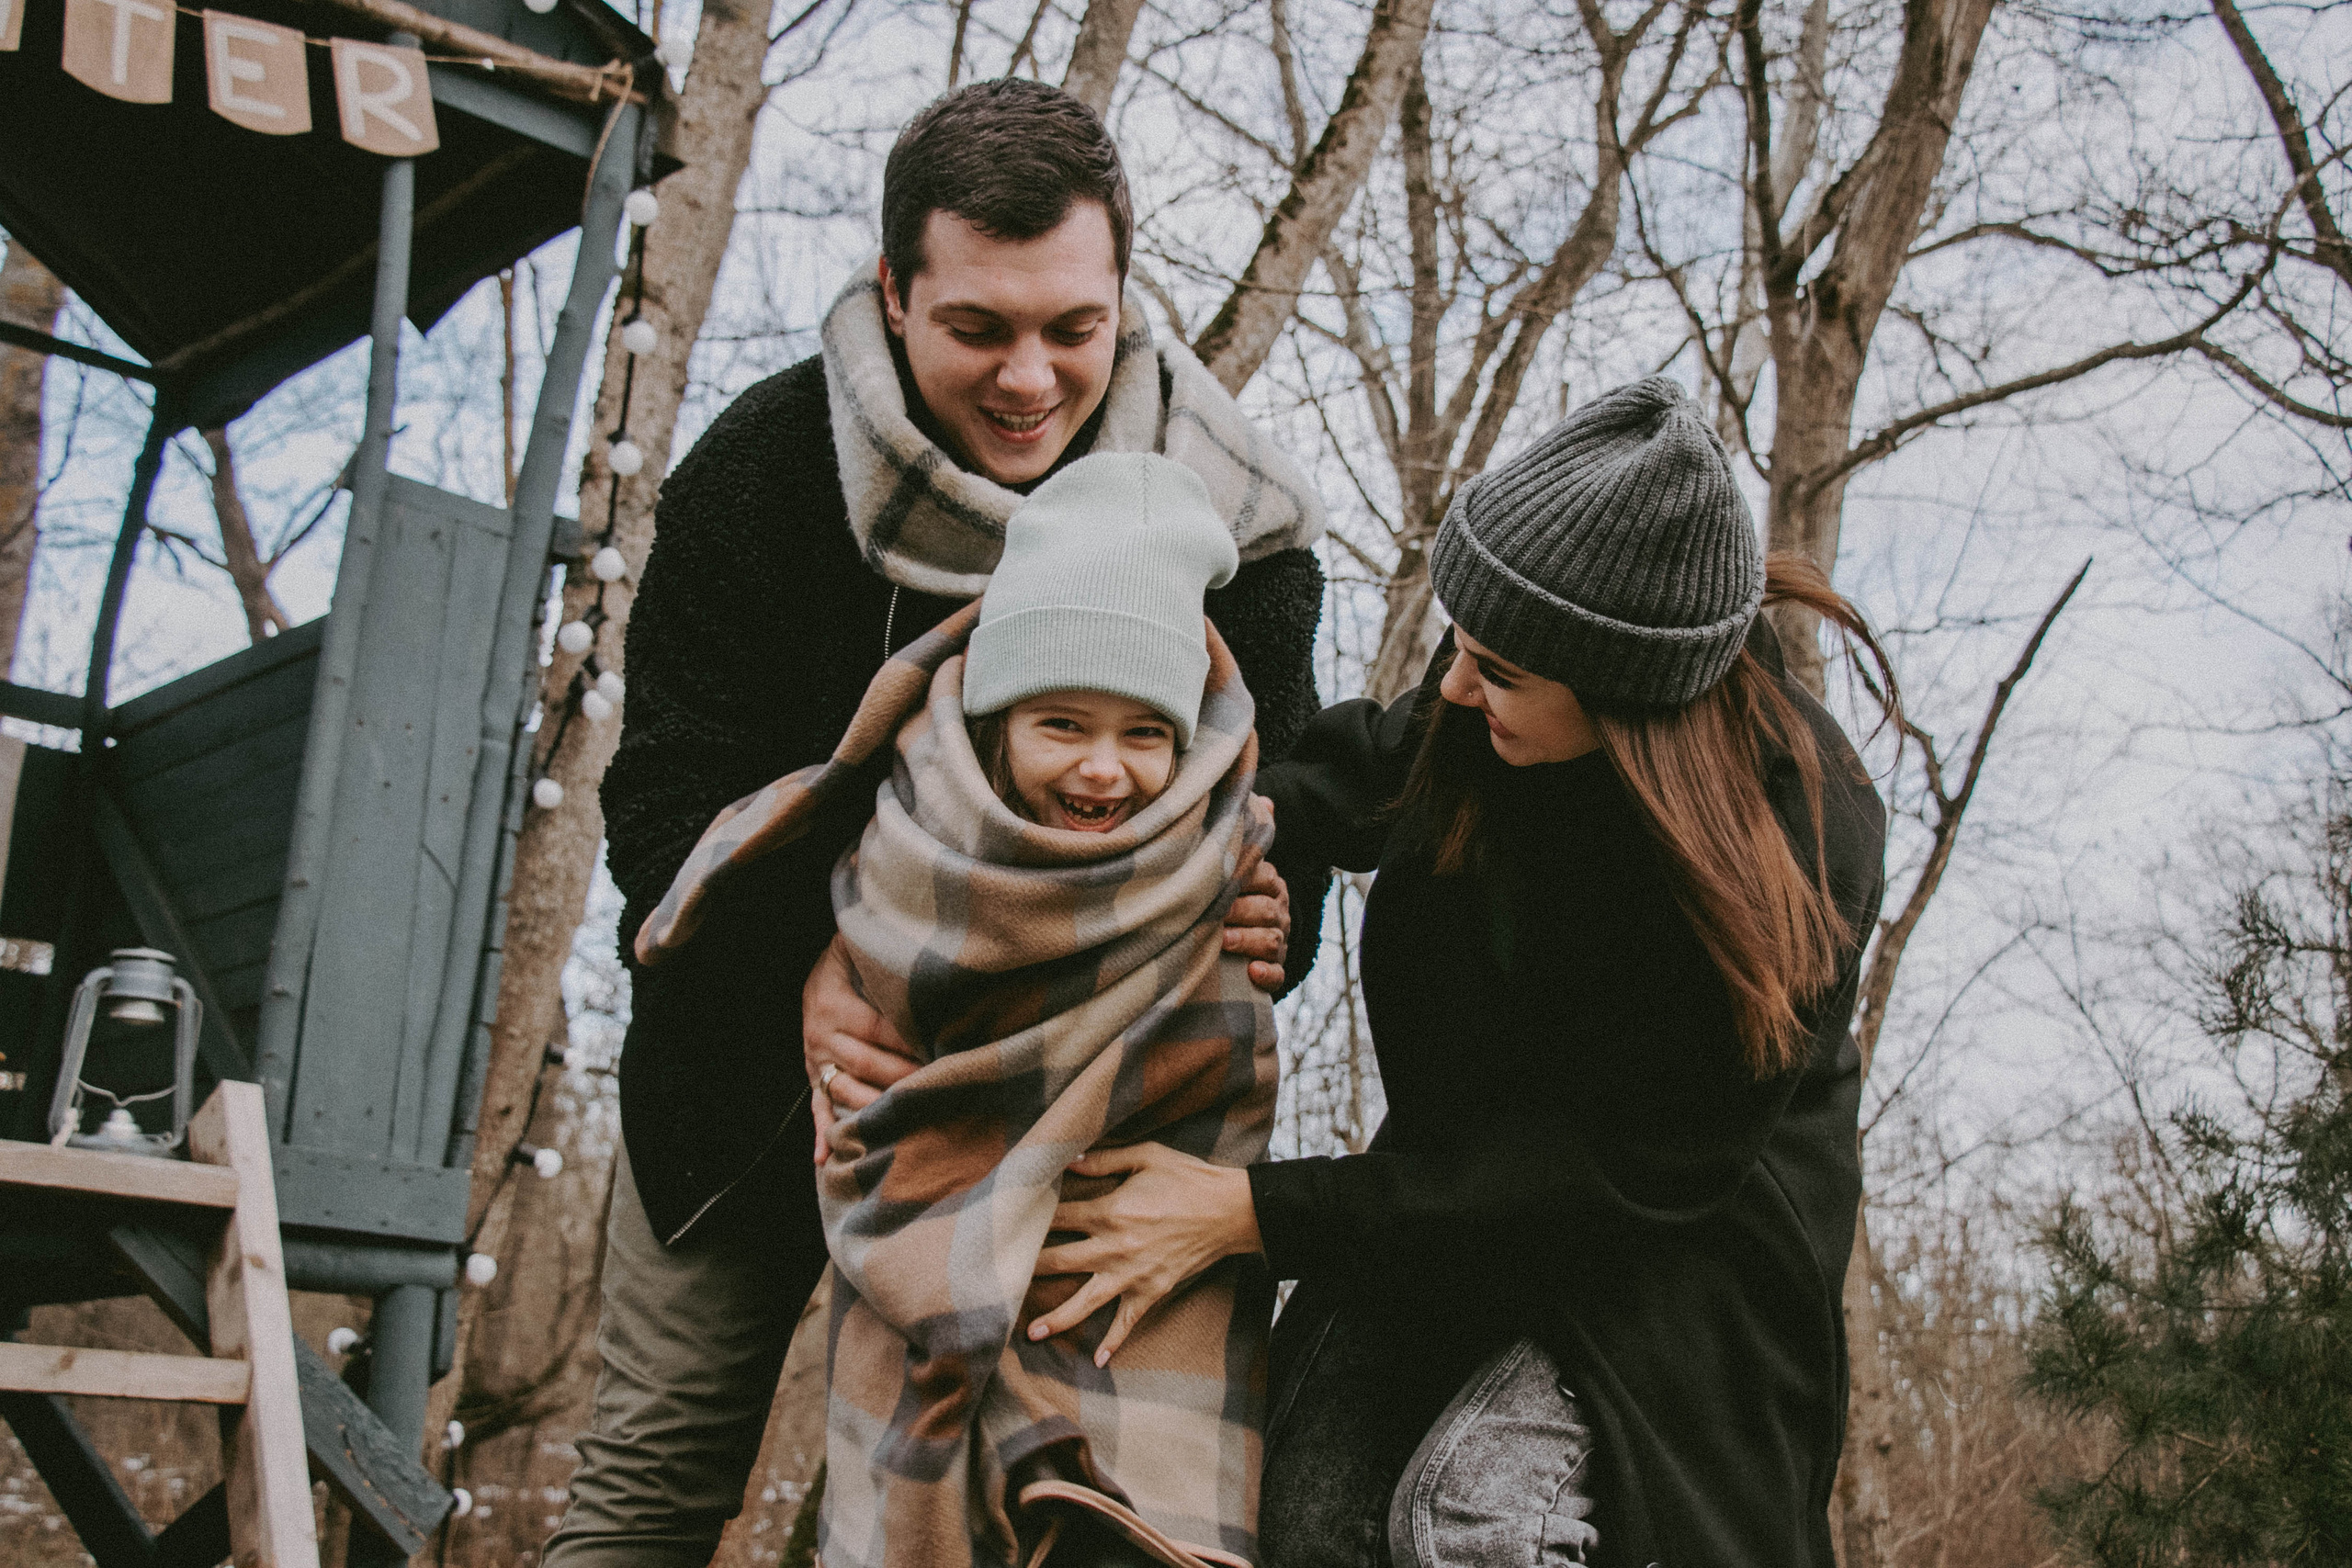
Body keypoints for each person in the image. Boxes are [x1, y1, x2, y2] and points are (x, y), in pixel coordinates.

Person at [545, 81, 1328, 1568]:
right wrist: (818, 970)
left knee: (961, 1519)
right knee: (649, 1488)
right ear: (894, 292)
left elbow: (1281, 819)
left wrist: (1286, 909)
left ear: (1122, 296)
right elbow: (658, 810)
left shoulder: (1244, 536)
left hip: (1059, 1112)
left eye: (1071, 328)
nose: (1030, 376)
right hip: (761, 1079)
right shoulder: (765, 476)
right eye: (980, 327)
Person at [997, 378, 1894, 1567]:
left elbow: (1595, 1179)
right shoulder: (1497, 706)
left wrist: (1246, 1211)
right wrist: (1230, 851)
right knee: (1307, 1519)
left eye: (1502, 674)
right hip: (1444, 1198)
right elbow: (1357, 768)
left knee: (1471, 1523)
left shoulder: (1793, 856)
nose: (1459, 692)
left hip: (1672, 1257)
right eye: (1463, 653)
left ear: (1631, 702)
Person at [639, 453, 1281, 1568]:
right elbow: (876, 1105)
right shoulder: (903, 853)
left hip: (1138, 1250)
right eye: (1062, 725)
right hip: (929, 1235)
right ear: (996, 720)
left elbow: (1213, 1068)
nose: (1104, 771)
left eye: (1145, 734)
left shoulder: (1222, 862)